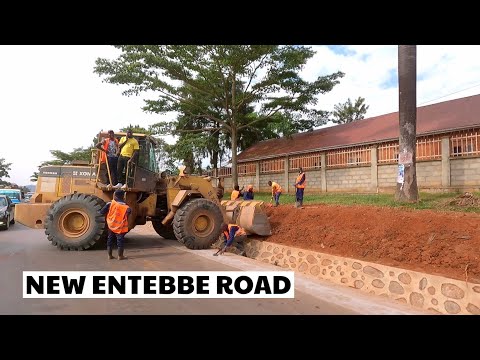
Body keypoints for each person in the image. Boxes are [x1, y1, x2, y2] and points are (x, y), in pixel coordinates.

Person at [100, 189, 131, 260]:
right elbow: (127, 215)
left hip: (111, 226)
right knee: (120, 241)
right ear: (124, 196)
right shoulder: (127, 207)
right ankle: (120, 256)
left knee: (110, 240)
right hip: (121, 228)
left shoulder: (110, 204)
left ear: (114, 195)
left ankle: (110, 255)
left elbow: (102, 212)